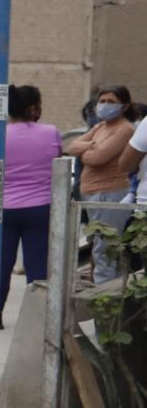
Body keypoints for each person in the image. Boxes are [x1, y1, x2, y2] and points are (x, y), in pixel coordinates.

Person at [0, 85, 62, 322]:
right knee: (37, 268)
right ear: (33, 108)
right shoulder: (50, 132)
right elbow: (57, 162)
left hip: (4, 210)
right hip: (40, 208)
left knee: (1, 267)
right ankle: (36, 321)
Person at [65, 84, 136, 283]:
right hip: (94, 194)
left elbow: (98, 158)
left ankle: (106, 300)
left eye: (111, 102)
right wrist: (90, 145)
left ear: (124, 106)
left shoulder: (124, 130)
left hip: (110, 193)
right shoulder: (100, 127)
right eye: (102, 101)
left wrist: (86, 152)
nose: (104, 106)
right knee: (100, 247)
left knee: (105, 250)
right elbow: (72, 147)